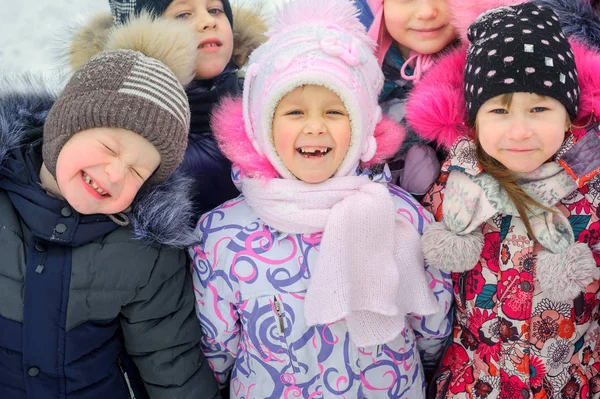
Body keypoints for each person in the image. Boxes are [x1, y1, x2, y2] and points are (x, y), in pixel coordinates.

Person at [189, 0, 453, 397]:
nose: (315, 127)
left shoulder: (402, 218)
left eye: (335, 111)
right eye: (294, 112)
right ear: (262, 127)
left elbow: (433, 326)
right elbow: (217, 345)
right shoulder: (222, 234)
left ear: (363, 126)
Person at [0, 22, 220, 399]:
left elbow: (170, 360)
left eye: (138, 170)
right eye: (109, 147)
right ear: (64, 123)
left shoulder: (145, 253)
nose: (117, 174)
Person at [407, 3, 600, 396]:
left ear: (568, 115)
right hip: (476, 381)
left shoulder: (592, 186)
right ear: (474, 119)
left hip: (568, 381)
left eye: (539, 108)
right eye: (499, 110)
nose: (519, 131)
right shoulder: (456, 183)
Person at [69, 0, 268, 215]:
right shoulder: (116, 121)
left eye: (215, 10)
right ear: (144, 34)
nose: (208, 21)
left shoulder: (264, 100)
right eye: (183, 14)